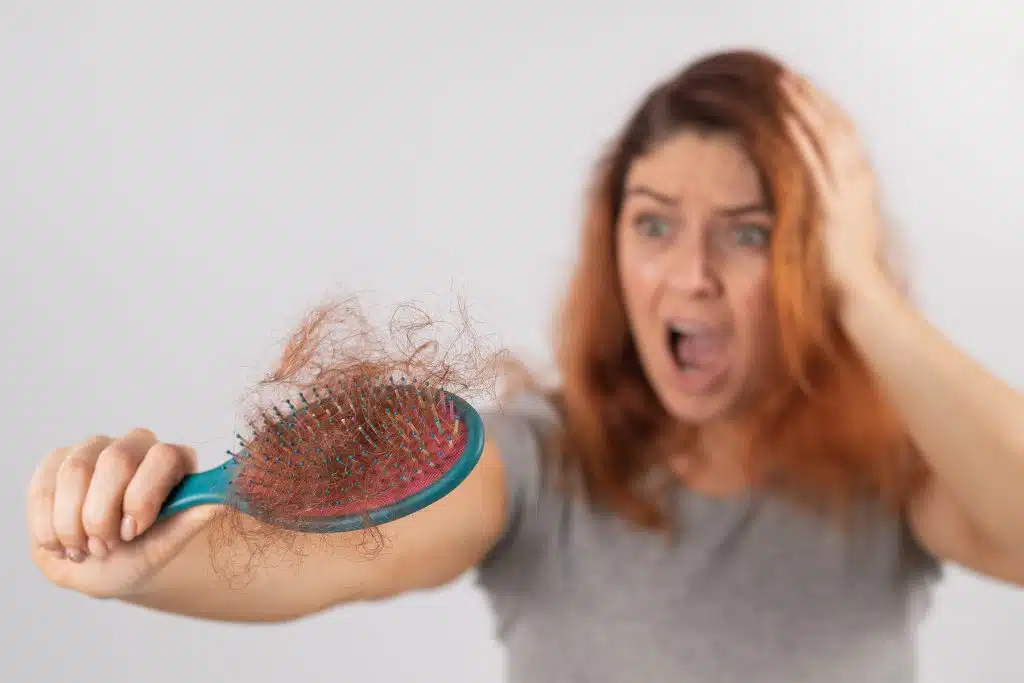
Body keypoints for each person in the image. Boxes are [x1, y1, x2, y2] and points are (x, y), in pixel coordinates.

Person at [26, 49, 1024, 681]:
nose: (692, 274)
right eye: (654, 223)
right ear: (612, 245)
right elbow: (334, 559)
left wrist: (862, 291)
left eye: (748, 232)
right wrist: (148, 564)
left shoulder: (896, 473)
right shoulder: (538, 464)